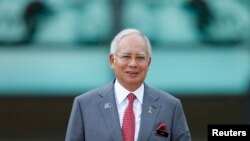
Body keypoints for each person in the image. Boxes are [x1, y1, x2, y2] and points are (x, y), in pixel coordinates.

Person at [65, 29, 191, 141]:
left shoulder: (170, 106)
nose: (133, 64)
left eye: (140, 58)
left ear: (149, 63)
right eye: (126, 56)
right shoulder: (85, 105)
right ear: (112, 60)